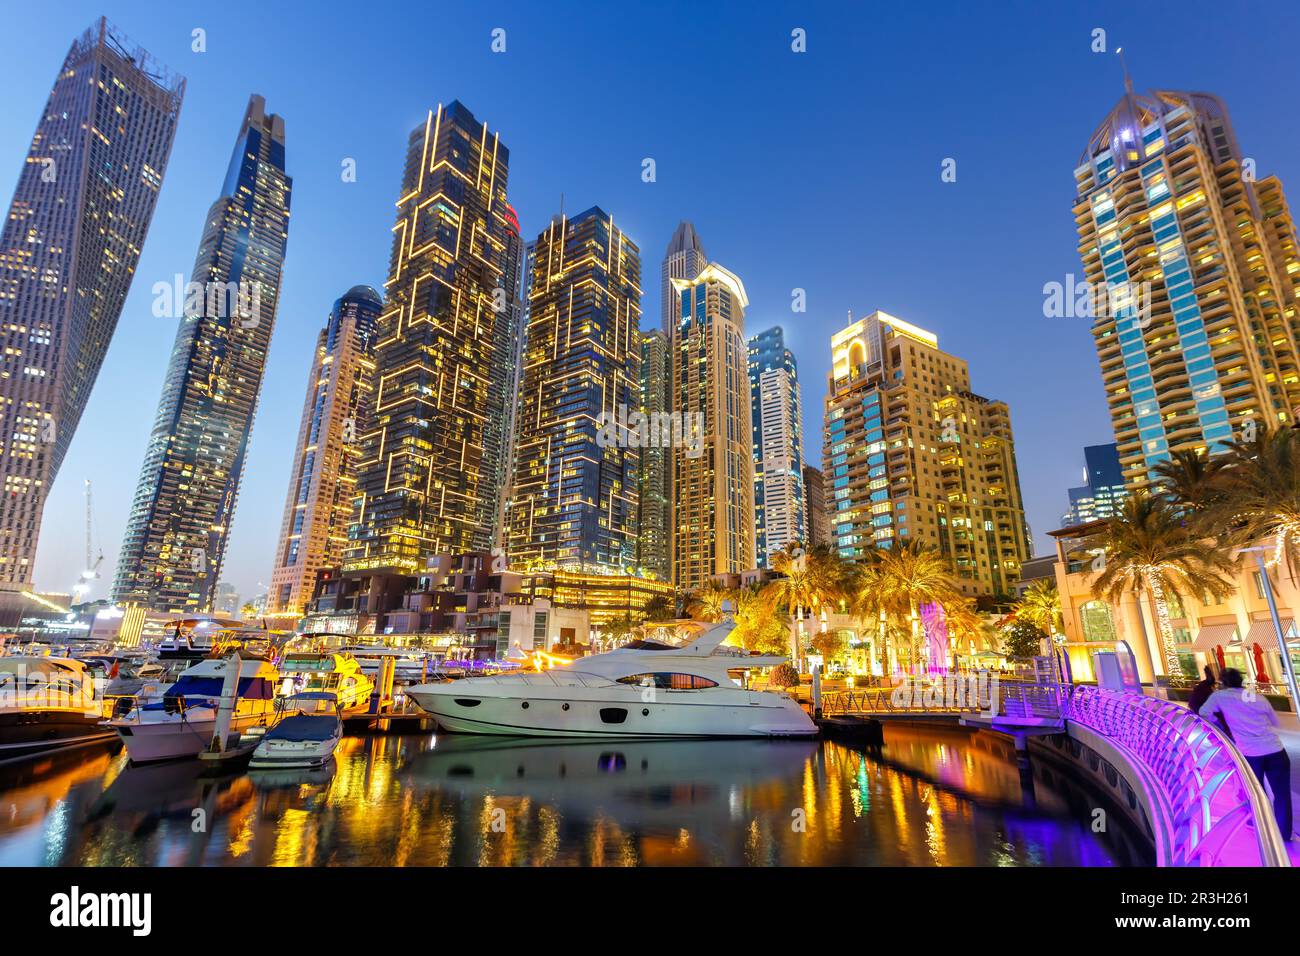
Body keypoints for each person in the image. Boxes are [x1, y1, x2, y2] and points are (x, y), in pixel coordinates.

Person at [1201, 669, 1293, 839]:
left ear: (1223, 682)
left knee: (1255, 793)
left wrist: (1221, 727)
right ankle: (1285, 834)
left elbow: (1204, 713)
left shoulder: (1220, 697)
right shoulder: (1255, 696)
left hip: (1250, 754)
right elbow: (1274, 721)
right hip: (1275, 750)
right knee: (1282, 795)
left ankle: (1261, 828)